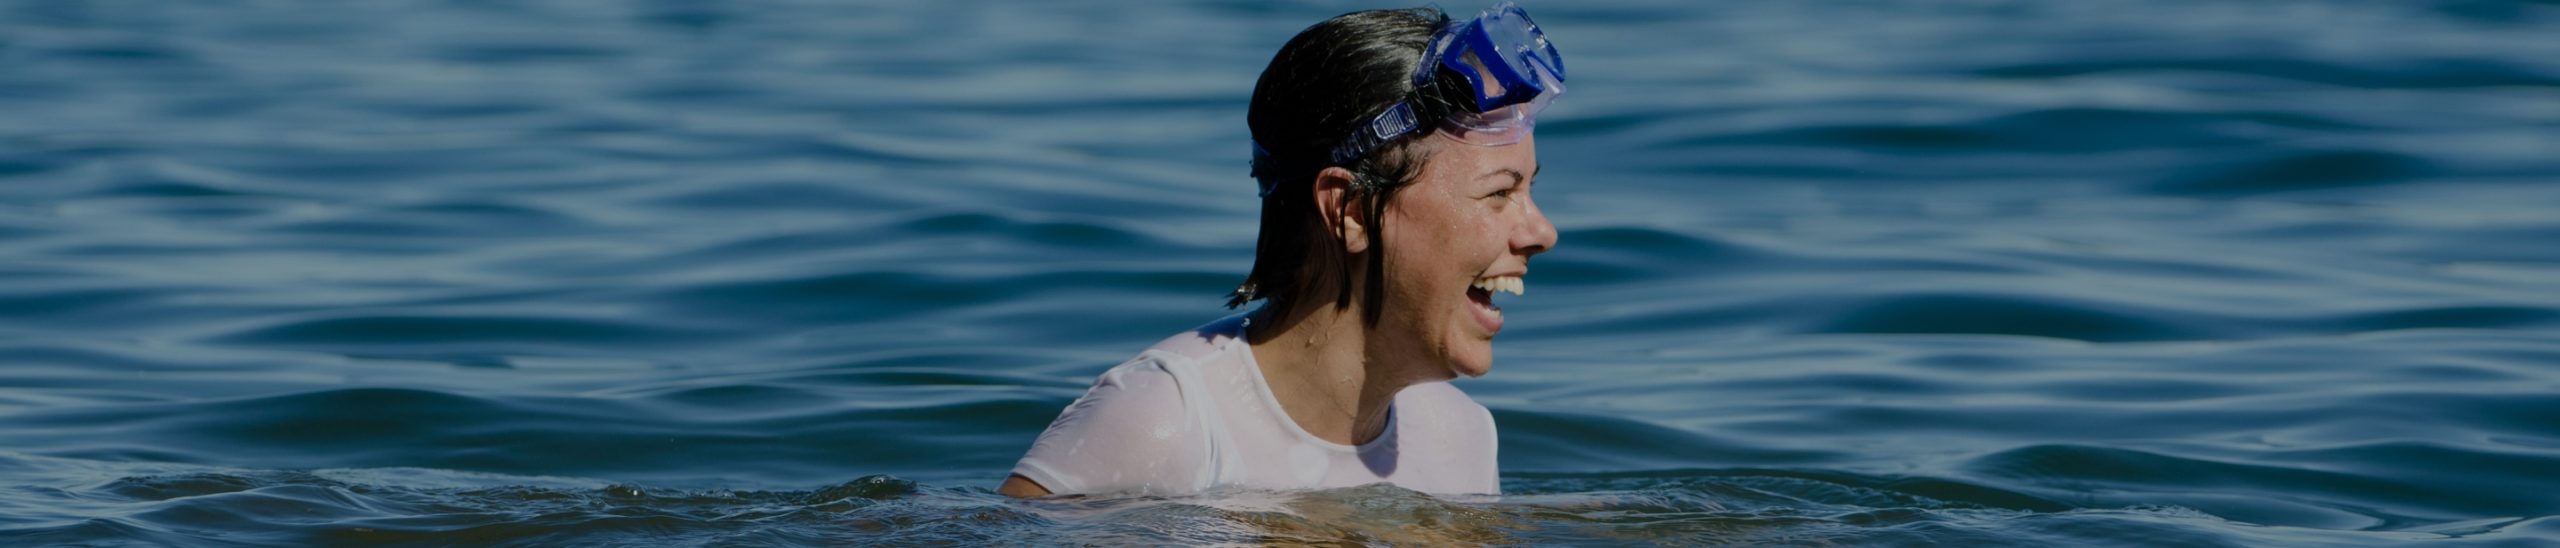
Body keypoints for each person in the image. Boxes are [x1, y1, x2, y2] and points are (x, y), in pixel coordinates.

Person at [1000, 2, 1564, 498]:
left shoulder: (1460, 440)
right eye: (1498, 193)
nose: (1542, 232)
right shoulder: (1168, 420)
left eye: (1528, 189)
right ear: (1346, 209)